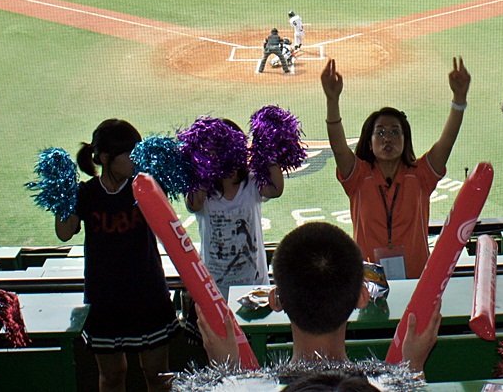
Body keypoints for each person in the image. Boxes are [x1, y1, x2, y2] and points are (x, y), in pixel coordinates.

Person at [195, 223, 441, 380]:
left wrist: (225, 372)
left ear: (276, 300)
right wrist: (413, 369)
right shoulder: (387, 385)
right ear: (362, 297)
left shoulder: (255, 387)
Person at [55, 119, 179, 392]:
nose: (137, 158)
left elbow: (170, 224)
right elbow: (64, 233)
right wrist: (62, 194)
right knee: (112, 377)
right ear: (104, 158)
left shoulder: (145, 187)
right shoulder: (86, 193)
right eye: (129, 153)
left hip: (148, 294)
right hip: (105, 299)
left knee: (158, 376)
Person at [320, 57, 470, 279]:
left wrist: (459, 100)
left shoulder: (421, 176)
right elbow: (339, 147)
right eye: (379, 132)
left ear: (405, 139)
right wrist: (332, 102)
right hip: (368, 283)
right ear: (369, 142)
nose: (387, 138)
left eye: (394, 132)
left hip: (416, 281)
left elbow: (446, 142)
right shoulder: (358, 177)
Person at [185, 118, 284, 304]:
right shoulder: (203, 193)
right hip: (214, 291)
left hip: (255, 287)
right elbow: (193, 204)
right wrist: (205, 169)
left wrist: (270, 151)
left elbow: (275, 189)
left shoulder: (252, 184)